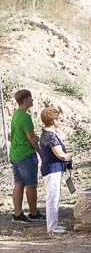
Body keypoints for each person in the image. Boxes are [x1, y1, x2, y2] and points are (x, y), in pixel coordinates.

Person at [9, 89, 42, 223]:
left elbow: (13, 136)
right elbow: (31, 138)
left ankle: (17, 213)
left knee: (19, 183)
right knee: (31, 185)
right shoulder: (25, 117)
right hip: (26, 156)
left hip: (16, 155)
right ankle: (33, 213)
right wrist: (41, 152)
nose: (32, 100)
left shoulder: (16, 115)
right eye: (30, 98)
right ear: (25, 99)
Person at [39, 105, 71, 235]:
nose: (59, 122)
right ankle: (52, 227)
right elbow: (60, 154)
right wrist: (69, 156)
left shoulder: (46, 134)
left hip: (52, 169)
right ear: (53, 121)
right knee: (52, 197)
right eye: (58, 119)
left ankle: (54, 225)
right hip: (53, 169)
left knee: (54, 196)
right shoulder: (50, 136)